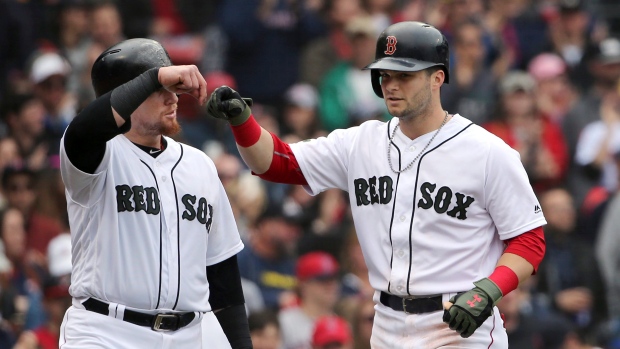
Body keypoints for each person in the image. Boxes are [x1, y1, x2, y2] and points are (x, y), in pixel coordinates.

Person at [207, 21, 546, 347]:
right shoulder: (361, 142)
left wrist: (489, 289)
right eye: (384, 75)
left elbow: (529, 239)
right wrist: (242, 121)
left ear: (437, 78)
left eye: (405, 75)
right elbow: (276, 163)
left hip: (457, 324)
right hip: (386, 323)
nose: (391, 85)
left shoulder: (488, 152)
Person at [58, 38, 251, 348]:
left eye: (172, 86)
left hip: (187, 336)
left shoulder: (200, 165)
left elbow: (222, 274)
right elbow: (84, 129)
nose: (172, 97)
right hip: (105, 332)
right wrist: (154, 77)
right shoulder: (96, 154)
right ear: (124, 95)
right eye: (160, 89)